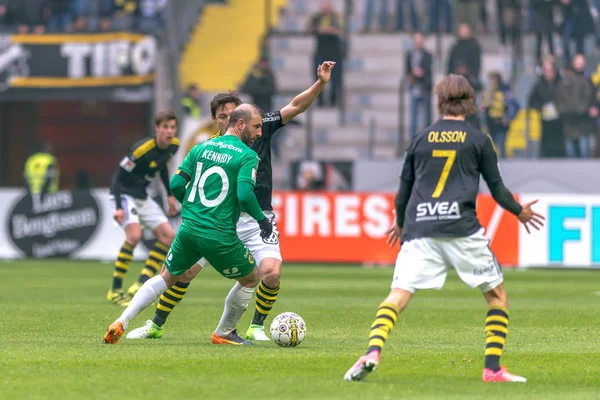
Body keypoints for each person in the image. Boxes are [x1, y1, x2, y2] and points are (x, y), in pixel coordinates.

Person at [343, 74, 544, 383]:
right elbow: (498, 190)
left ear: (438, 101)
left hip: (420, 228)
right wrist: (519, 212)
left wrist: (400, 222)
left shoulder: (420, 139)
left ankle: (371, 352)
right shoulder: (479, 140)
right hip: (461, 228)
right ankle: (492, 369)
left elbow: (403, 192)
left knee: (397, 295)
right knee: (496, 296)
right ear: (471, 102)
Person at [126, 61, 336, 343]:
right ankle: (156, 324)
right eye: (222, 116)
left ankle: (254, 327)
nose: (228, 119)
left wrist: (320, 83)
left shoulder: (260, 128)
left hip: (258, 214)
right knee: (184, 272)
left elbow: (296, 106)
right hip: (219, 217)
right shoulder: (213, 146)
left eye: (232, 113)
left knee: (271, 273)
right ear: (216, 120)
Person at [104, 104, 273, 345]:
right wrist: (262, 220)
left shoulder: (200, 147)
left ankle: (122, 320)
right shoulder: (247, 156)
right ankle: (224, 332)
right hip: (219, 234)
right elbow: (245, 194)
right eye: (257, 127)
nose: (259, 133)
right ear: (240, 124)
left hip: (189, 228)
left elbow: (174, 185)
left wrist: (192, 207)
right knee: (251, 278)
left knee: (166, 276)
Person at [106, 110, 180, 306]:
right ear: (157, 128)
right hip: (123, 194)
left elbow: (162, 168)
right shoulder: (141, 150)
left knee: (168, 236)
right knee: (134, 236)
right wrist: (119, 207)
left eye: (172, 127)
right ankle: (115, 290)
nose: (169, 131)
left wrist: (170, 195)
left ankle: (139, 284)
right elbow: (117, 178)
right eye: (165, 127)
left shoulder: (173, 146)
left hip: (141, 195)